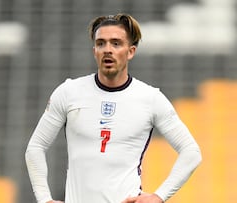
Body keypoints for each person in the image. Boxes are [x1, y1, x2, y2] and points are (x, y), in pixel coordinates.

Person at [25, 13, 202, 203]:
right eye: (101, 43)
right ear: (94, 51)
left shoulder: (151, 99)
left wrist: (159, 197)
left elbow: (191, 152)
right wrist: (44, 199)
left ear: (131, 51)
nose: (107, 50)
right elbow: (36, 147)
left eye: (116, 43)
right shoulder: (69, 92)